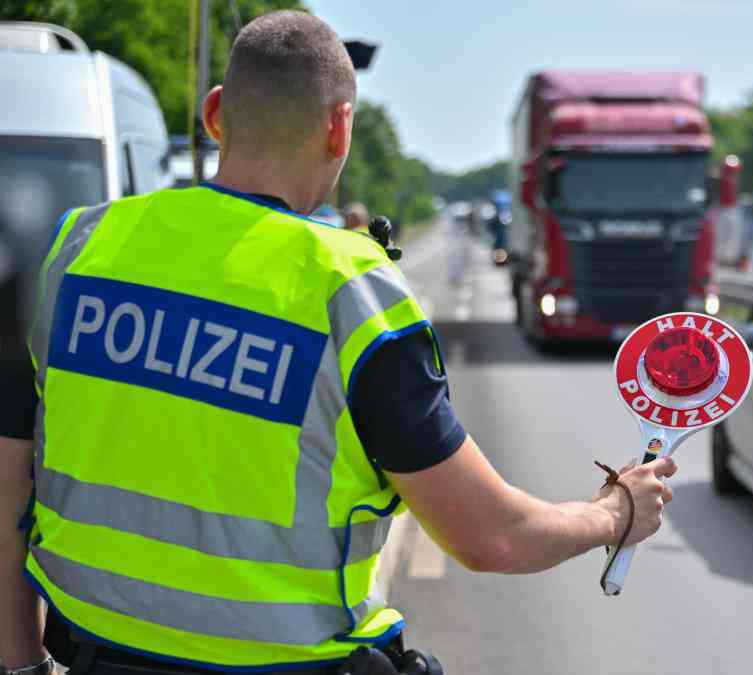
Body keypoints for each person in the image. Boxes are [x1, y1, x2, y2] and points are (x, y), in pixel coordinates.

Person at [0, 11, 674, 675]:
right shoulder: (354, 296)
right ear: (339, 126)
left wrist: (22, 662)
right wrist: (613, 513)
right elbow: (492, 536)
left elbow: (7, 484)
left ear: (215, 113)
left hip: (88, 653)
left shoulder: (79, 247)